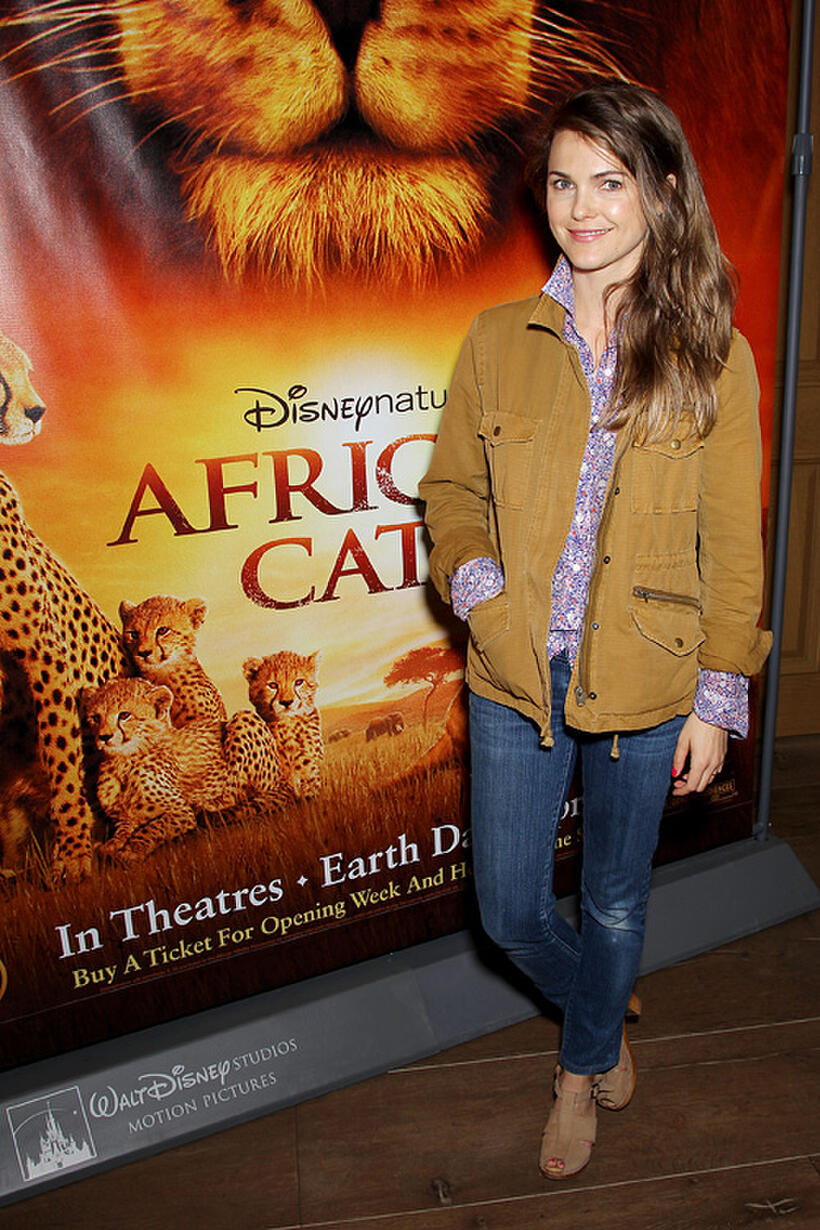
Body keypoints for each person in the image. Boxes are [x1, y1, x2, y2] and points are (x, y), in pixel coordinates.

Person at [418, 80, 771, 1180]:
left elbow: (732, 547)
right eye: (564, 183)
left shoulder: (719, 356)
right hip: (516, 668)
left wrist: (719, 693)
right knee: (511, 910)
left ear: (661, 192)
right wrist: (478, 587)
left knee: (614, 899)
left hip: (650, 676)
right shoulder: (496, 337)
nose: (581, 208)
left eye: (608, 182)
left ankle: (578, 1073)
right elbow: (448, 494)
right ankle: (603, 1015)